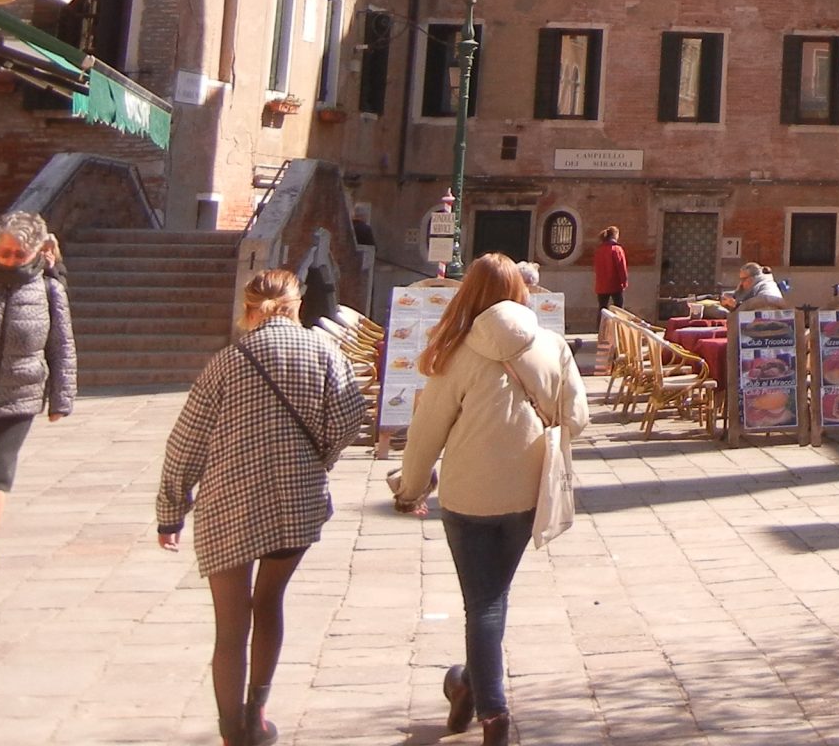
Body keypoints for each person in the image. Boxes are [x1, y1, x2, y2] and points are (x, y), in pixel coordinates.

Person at [156, 269, 364, 746]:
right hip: (296, 501)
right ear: (297, 305)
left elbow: (185, 443)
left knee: (230, 627)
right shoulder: (325, 354)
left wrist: (171, 509)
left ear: (248, 309)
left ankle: (233, 734)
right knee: (270, 602)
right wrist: (319, 461)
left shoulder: (226, 362)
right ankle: (259, 712)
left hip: (228, 505)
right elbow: (351, 417)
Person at [392, 253, 589, 746]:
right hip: (526, 492)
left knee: (483, 604)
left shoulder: (455, 353)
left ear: (471, 294)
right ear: (522, 291)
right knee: (492, 600)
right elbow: (578, 419)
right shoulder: (551, 345)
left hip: (467, 494)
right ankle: (465, 688)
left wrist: (410, 490)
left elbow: (426, 433)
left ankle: (492, 713)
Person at [0, 210, 75, 579]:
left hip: (19, 395)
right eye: (3, 252)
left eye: (17, 255)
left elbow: (61, 344)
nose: (9, 260)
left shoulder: (48, 288)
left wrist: (61, 398)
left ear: (37, 251)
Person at [590, 227, 629, 313]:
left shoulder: (599, 250)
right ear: (615, 235)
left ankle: (601, 326)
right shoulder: (617, 249)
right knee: (619, 310)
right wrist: (624, 282)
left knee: (602, 309)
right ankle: (617, 326)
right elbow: (622, 267)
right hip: (615, 284)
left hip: (601, 285)